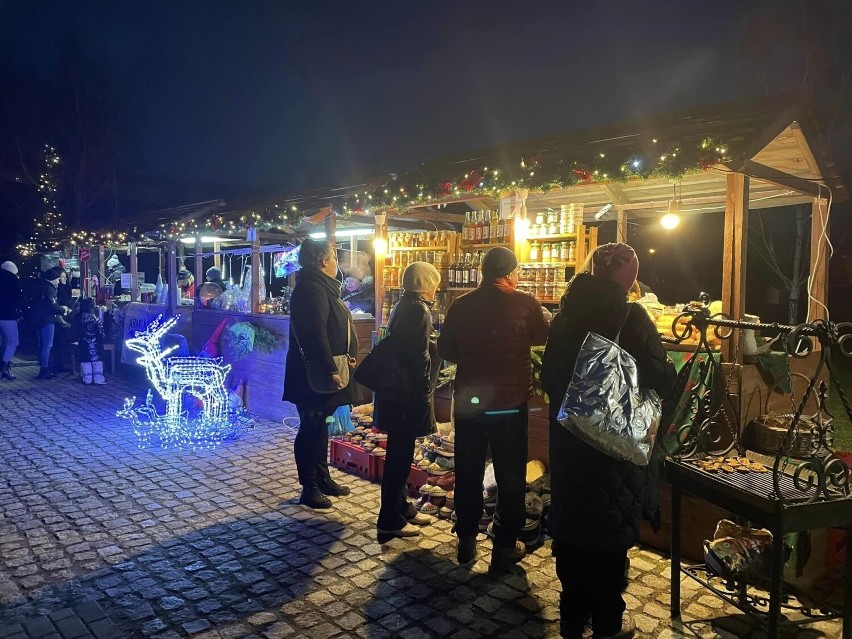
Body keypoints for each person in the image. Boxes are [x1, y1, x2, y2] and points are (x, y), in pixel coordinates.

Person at [541, 243, 676, 639]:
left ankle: (571, 617)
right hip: (612, 447)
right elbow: (662, 377)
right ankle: (607, 625)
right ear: (627, 274)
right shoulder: (630, 315)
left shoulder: (565, 315)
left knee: (573, 523)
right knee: (608, 529)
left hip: (568, 441)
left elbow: (550, 378)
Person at [437, 246, 551, 567]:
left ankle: (466, 541)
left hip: (471, 404)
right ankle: (503, 545)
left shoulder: (461, 305)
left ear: (483, 272)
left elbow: (447, 349)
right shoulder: (526, 303)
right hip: (509, 403)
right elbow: (542, 336)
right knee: (511, 474)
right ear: (510, 273)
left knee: (469, 469)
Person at [283, 238, 358, 509]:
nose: (337, 263)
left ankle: (322, 477)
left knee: (321, 424)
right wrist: (329, 367)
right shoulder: (311, 289)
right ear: (324, 261)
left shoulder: (321, 286)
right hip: (313, 374)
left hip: (325, 370)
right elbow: (315, 333)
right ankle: (309, 486)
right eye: (335, 258)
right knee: (311, 427)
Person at [375, 262, 441, 540]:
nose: (436, 289)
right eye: (434, 283)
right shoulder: (418, 309)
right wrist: (424, 394)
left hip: (395, 393)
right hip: (406, 395)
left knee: (399, 453)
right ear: (426, 284)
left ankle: (401, 508)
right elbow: (419, 358)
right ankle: (389, 519)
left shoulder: (404, 304)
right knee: (399, 458)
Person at [31, 267, 72, 380]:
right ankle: (44, 369)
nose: (59, 281)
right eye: (57, 279)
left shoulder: (42, 286)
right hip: (47, 320)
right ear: (53, 279)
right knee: (47, 345)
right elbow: (53, 306)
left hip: (39, 320)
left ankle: (45, 368)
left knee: (43, 345)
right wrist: (63, 310)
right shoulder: (50, 289)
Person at [0, 261, 24, 380]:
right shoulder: (13, 279)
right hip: (8, 315)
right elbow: (17, 298)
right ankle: (3, 367)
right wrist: (19, 312)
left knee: (2, 343)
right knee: (13, 341)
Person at [75, 298, 107, 385]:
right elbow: (101, 332)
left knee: (86, 360)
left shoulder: (78, 318)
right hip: (95, 343)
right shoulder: (95, 319)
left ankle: (87, 379)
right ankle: (98, 379)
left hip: (84, 342)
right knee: (97, 361)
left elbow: (75, 330)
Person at [53, 269, 74, 373]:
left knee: (63, 341)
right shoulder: (58, 289)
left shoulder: (67, 287)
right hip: (60, 315)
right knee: (58, 340)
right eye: (62, 276)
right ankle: (57, 364)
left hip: (67, 314)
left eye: (65, 276)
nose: (64, 278)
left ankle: (61, 364)